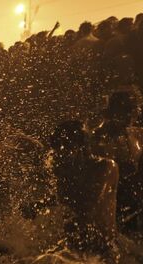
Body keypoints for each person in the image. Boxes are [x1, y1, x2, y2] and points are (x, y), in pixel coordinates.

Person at [26, 121, 119, 261]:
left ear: (81, 147)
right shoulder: (66, 169)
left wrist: (66, 175)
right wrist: (39, 205)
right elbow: (61, 199)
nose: (60, 152)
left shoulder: (105, 167)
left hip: (102, 250)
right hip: (73, 246)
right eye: (57, 147)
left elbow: (87, 208)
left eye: (66, 146)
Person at [91, 91, 143, 233]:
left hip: (135, 204)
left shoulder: (137, 135)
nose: (130, 117)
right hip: (112, 206)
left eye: (133, 111)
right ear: (112, 111)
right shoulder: (97, 140)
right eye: (125, 110)